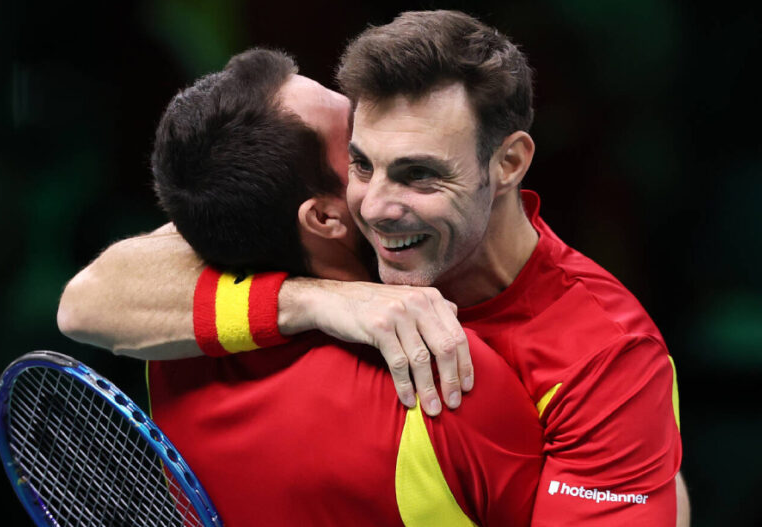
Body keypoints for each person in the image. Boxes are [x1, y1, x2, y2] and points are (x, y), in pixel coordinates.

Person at [59, 10, 688, 526]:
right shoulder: (281, 246)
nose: (378, 205)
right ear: (322, 214)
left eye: (418, 172)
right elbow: (85, 302)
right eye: (359, 160)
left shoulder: (607, 359)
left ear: (508, 162)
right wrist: (318, 300)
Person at [123, 47, 544, 525]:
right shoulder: (451, 381)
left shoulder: (169, 348)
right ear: (324, 218)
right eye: (359, 153)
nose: (380, 126)